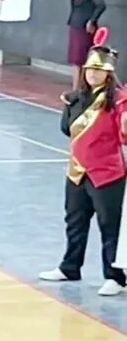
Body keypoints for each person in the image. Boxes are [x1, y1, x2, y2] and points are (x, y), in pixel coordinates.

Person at [40, 27, 126, 297]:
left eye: (98, 71)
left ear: (108, 74)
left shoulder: (118, 101)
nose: (92, 74)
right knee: (74, 221)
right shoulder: (77, 98)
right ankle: (70, 266)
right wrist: (69, 105)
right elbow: (67, 129)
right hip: (77, 171)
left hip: (107, 173)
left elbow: (123, 134)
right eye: (89, 70)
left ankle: (115, 276)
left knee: (108, 225)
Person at [67, 0, 106, 87]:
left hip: (84, 28)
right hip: (75, 25)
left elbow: (101, 5)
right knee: (75, 59)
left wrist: (92, 21)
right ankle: (75, 87)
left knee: (81, 59)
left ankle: (81, 88)